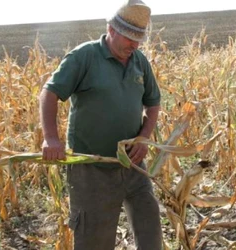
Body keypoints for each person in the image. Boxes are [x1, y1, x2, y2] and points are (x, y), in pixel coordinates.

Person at [38, 0, 163, 249]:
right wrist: (51, 138)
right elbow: (49, 93)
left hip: (133, 165)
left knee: (150, 229)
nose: (135, 45)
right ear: (111, 29)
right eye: (129, 38)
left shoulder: (140, 62)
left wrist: (144, 137)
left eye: (139, 39)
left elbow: (153, 104)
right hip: (91, 168)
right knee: (94, 239)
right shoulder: (84, 57)